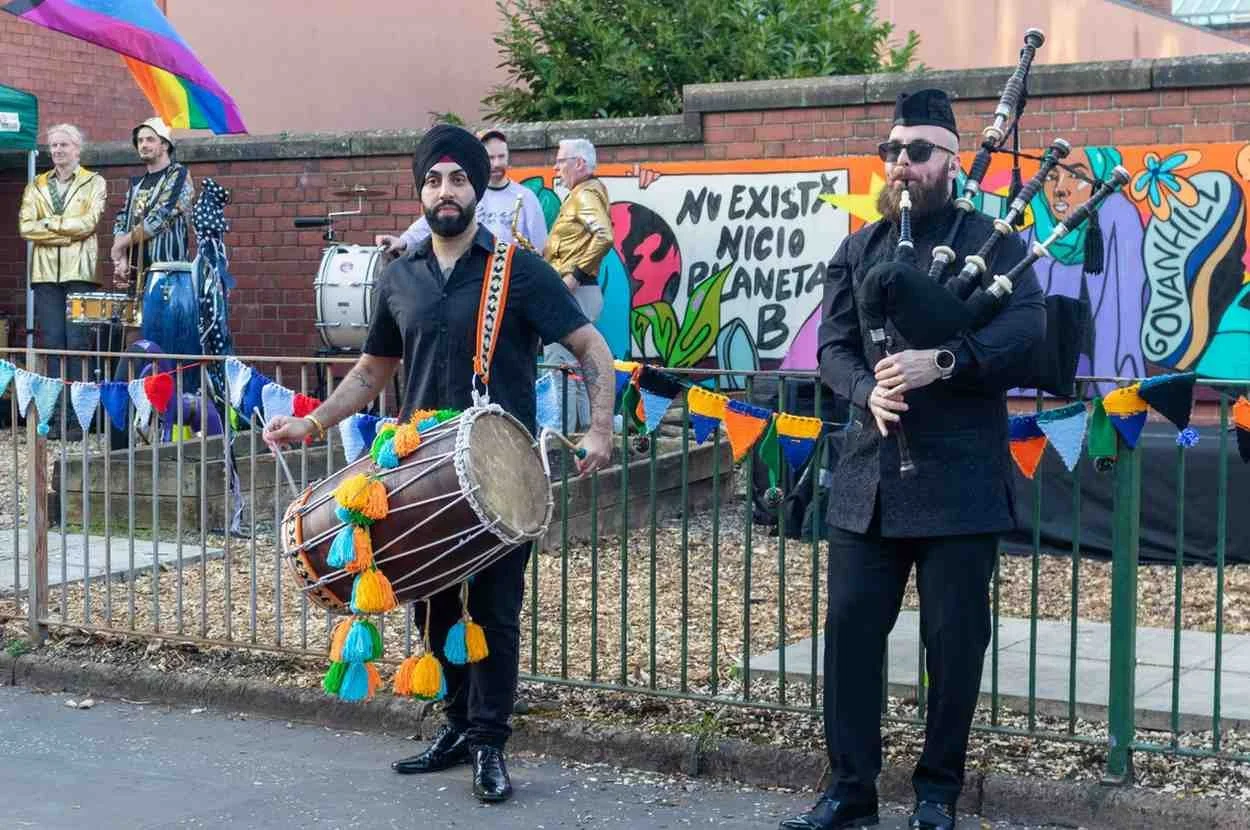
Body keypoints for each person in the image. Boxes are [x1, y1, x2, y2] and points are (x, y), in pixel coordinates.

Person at [263, 124, 615, 805]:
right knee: (430, 604)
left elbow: (590, 346)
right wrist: (312, 422)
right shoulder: (401, 275)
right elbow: (371, 371)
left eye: (457, 179)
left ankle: (489, 742)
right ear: (420, 193)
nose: (444, 191)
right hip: (416, 470)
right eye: (432, 181)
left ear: (476, 189)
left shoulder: (519, 270)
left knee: (495, 612)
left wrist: (599, 428)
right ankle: (455, 725)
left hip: (504, 473)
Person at [781, 89, 1045, 830]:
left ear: (952, 162)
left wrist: (946, 361)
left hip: (960, 479)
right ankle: (849, 791)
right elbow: (833, 349)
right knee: (850, 637)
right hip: (869, 477)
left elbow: (1029, 329)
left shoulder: (994, 242)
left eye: (918, 151)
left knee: (953, 645)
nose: (901, 163)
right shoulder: (858, 248)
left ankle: (936, 795)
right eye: (892, 150)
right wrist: (866, 390)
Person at [19, 123, 107, 399]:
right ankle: (58, 408)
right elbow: (26, 227)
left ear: (77, 149)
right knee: (53, 342)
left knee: (78, 342)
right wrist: (68, 234)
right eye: (53, 145)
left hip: (81, 272)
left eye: (63, 144)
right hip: (45, 274)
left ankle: (79, 409)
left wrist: (49, 223)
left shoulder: (94, 182)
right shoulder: (37, 185)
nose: (57, 150)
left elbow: (89, 223)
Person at [540, 137, 615, 431]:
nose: (556, 168)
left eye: (561, 161)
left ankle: (562, 439)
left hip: (575, 291)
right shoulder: (586, 192)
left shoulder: (584, 194)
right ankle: (582, 433)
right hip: (581, 292)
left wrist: (574, 276)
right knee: (576, 367)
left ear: (579, 164)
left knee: (559, 365)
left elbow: (604, 236)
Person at [378, 128, 548, 255]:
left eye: (501, 157)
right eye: (490, 157)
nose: (496, 164)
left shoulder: (526, 198)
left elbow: (540, 247)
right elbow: (425, 226)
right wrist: (403, 241)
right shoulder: (466, 194)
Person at [111, 117, 195, 285]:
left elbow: (159, 218)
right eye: (140, 140)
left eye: (150, 139)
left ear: (165, 145)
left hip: (167, 274)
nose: (143, 145)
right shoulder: (137, 184)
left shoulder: (179, 176)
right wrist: (122, 257)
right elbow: (122, 218)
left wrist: (119, 246)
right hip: (135, 275)